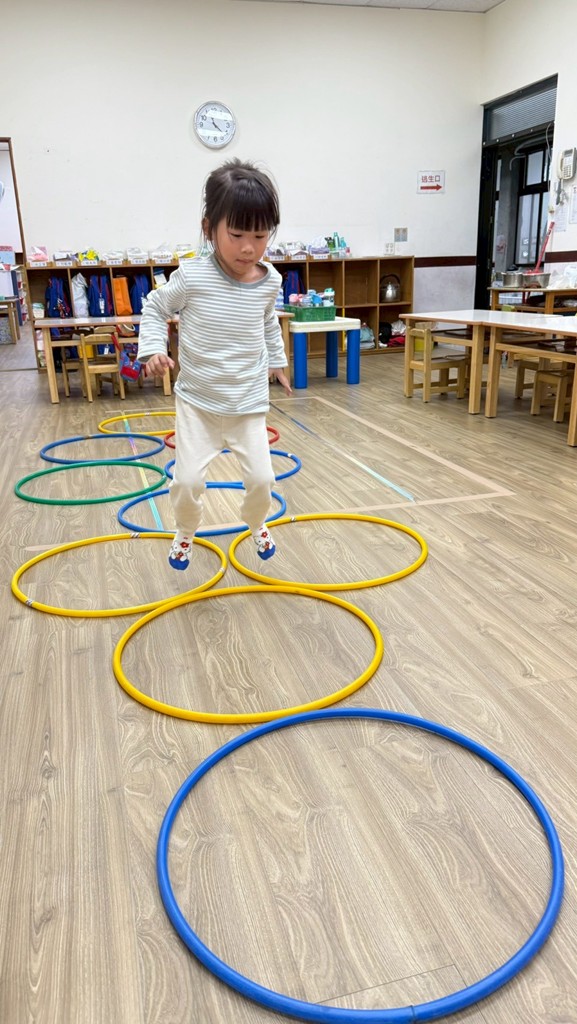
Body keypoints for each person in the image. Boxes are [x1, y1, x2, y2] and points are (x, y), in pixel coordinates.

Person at [136, 159, 291, 570]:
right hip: (198, 403)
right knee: (186, 481)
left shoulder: (270, 281)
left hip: (247, 402)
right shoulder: (193, 277)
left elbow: (267, 321)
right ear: (209, 229)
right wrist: (151, 350)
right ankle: (186, 531)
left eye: (260, 235)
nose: (248, 248)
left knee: (262, 480)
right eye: (236, 235)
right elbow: (154, 307)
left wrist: (278, 361)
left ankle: (256, 523)